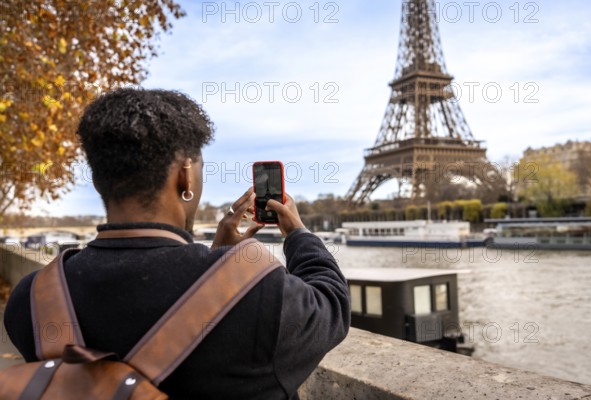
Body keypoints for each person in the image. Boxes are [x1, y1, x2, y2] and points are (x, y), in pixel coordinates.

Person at [4, 88, 350, 399]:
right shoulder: (262, 295)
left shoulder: (32, 300)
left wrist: (217, 263)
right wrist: (298, 234)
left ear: (97, 181)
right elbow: (332, 305)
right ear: (185, 175)